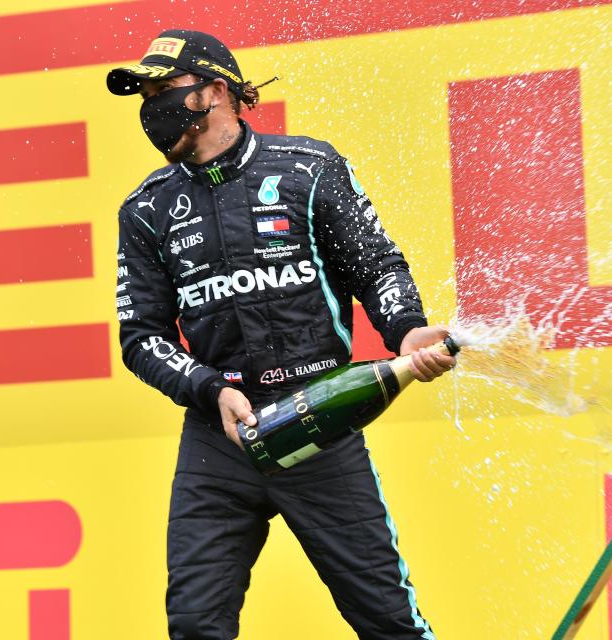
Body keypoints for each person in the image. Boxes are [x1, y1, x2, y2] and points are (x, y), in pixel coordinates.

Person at [107, 29, 455, 640]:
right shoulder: (145, 209)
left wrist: (405, 328)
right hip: (220, 437)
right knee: (193, 624)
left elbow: (377, 268)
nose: (151, 108)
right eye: (145, 95)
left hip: (318, 417)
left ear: (214, 93)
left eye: (165, 90)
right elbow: (140, 336)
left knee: (388, 621)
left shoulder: (309, 168)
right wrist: (210, 389)